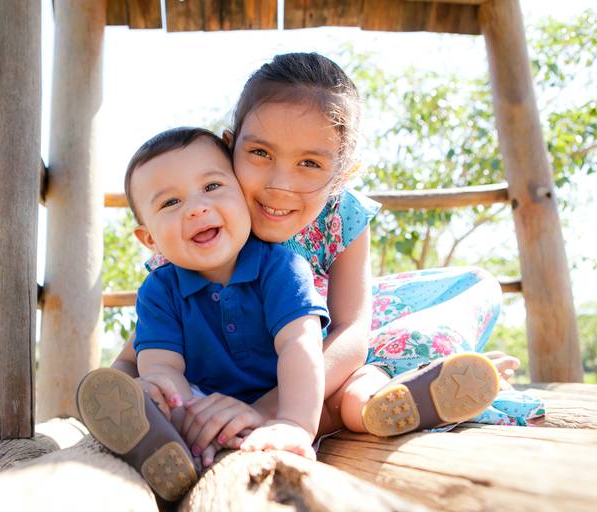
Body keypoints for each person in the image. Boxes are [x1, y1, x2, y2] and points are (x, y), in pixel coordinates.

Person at [111, 53, 538, 465]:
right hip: (232, 387)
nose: (281, 185)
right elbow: (152, 343)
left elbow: (352, 330)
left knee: (470, 287)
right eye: (259, 153)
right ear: (230, 147)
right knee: (343, 397)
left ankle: (383, 390)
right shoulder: (201, 214)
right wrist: (126, 393)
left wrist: (270, 412)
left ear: (342, 176)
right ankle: (368, 400)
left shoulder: (340, 214)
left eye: (310, 163)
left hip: (334, 357)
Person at [77, 126, 330, 501]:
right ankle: (172, 446)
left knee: (337, 395)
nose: (196, 207)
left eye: (212, 187)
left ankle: (189, 443)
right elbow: (162, 368)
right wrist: (193, 418)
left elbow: (299, 345)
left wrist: (293, 423)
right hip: (202, 401)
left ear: (244, 197)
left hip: (279, 398)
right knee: (151, 389)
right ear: (149, 239)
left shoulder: (281, 267)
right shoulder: (159, 290)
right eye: (170, 203)